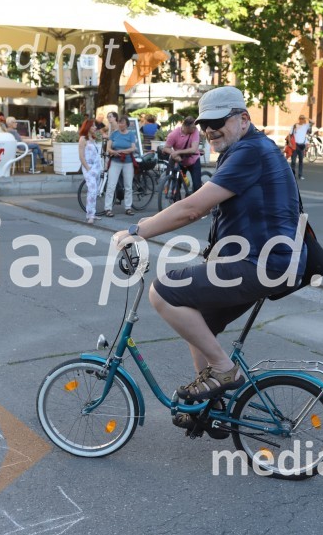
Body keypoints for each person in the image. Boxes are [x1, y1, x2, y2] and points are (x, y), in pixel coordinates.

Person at [111, 86, 305, 424]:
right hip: (263, 262)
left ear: (243, 119)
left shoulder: (251, 152)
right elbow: (199, 207)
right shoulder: (246, 150)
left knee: (163, 291)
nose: (210, 130)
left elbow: (192, 209)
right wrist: (146, 222)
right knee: (198, 323)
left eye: (219, 121)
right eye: (205, 124)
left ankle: (224, 371)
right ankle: (210, 404)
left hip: (261, 262)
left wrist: (135, 232)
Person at [104, 115, 137, 216]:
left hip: (127, 161)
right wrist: (113, 152)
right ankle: (108, 208)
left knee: (128, 186)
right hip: (115, 160)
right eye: (119, 122)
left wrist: (123, 151)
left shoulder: (131, 135)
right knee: (111, 185)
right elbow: (108, 148)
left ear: (126, 124)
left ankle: (128, 207)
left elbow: (133, 148)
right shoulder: (114, 134)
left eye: (122, 123)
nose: (120, 124)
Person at [162, 117, 201, 193]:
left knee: (197, 186)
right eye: (193, 127)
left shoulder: (195, 132)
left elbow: (193, 149)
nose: (195, 128)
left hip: (193, 160)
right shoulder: (173, 135)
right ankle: (176, 201)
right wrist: (173, 153)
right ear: (186, 127)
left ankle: (195, 201)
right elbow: (166, 148)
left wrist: (178, 152)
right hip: (180, 161)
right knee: (177, 185)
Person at [78, 119, 102, 224]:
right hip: (89, 167)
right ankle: (90, 215)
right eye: (92, 126)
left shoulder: (93, 138)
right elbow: (81, 156)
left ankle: (92, 213)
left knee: (94, 191)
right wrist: (88, 168)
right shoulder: (83, 139)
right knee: (92, 190)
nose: (95, 127)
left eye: (95, 126)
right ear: (88, 127)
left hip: (96, 167)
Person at [289, 114, 311, 179]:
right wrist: (290, 143)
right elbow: (290, 135)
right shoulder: (294, 126)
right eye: (301, 118)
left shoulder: (306, 126)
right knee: (293, 161)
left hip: (302, 145)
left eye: (303, 119)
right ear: (299, 119)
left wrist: (306, 117)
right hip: (295, 145)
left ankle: (300, 175)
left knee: (301, 161)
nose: (302, 120)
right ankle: (293, 175)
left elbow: (312, 122)